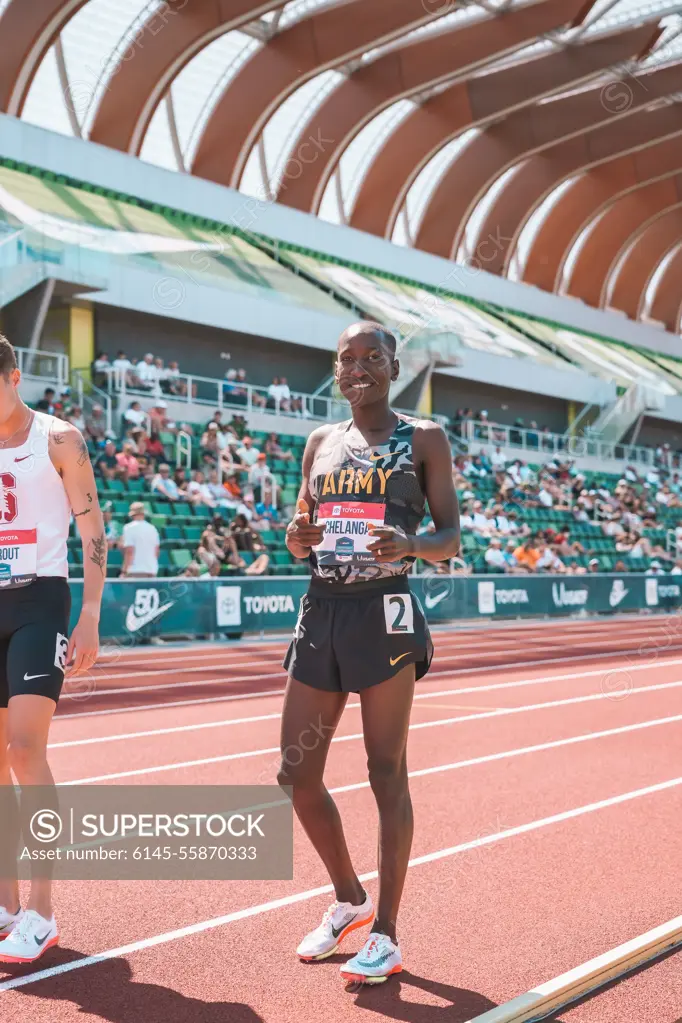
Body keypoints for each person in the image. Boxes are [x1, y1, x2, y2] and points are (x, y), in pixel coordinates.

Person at [279, 322, 459, 984]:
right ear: (336, 368)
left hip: (385, 614)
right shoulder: (319, 442)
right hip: (320, 609)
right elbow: (302, 534)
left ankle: (385, 929)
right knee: (294, 774)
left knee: (386, 771)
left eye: (371, 357)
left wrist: (409, 545)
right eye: (347, 359)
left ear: (393, 366)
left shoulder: (425, 437)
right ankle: (350, 899)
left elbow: (450, 537)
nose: (358, 367)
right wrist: (297, 535)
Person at [0, 334, 105, 964]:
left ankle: (42, 908)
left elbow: (92, 526)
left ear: (12, 376)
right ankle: (6, 902)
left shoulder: (58, 439)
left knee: (25, 749)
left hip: (42, 601)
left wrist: (90, 613)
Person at [121, 503, 159, 578]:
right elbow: (156, 551)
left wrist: (124, 571)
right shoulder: (153, 528)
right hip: (151, 570)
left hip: (135, 571)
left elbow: (129, 551)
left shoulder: (128, 528)